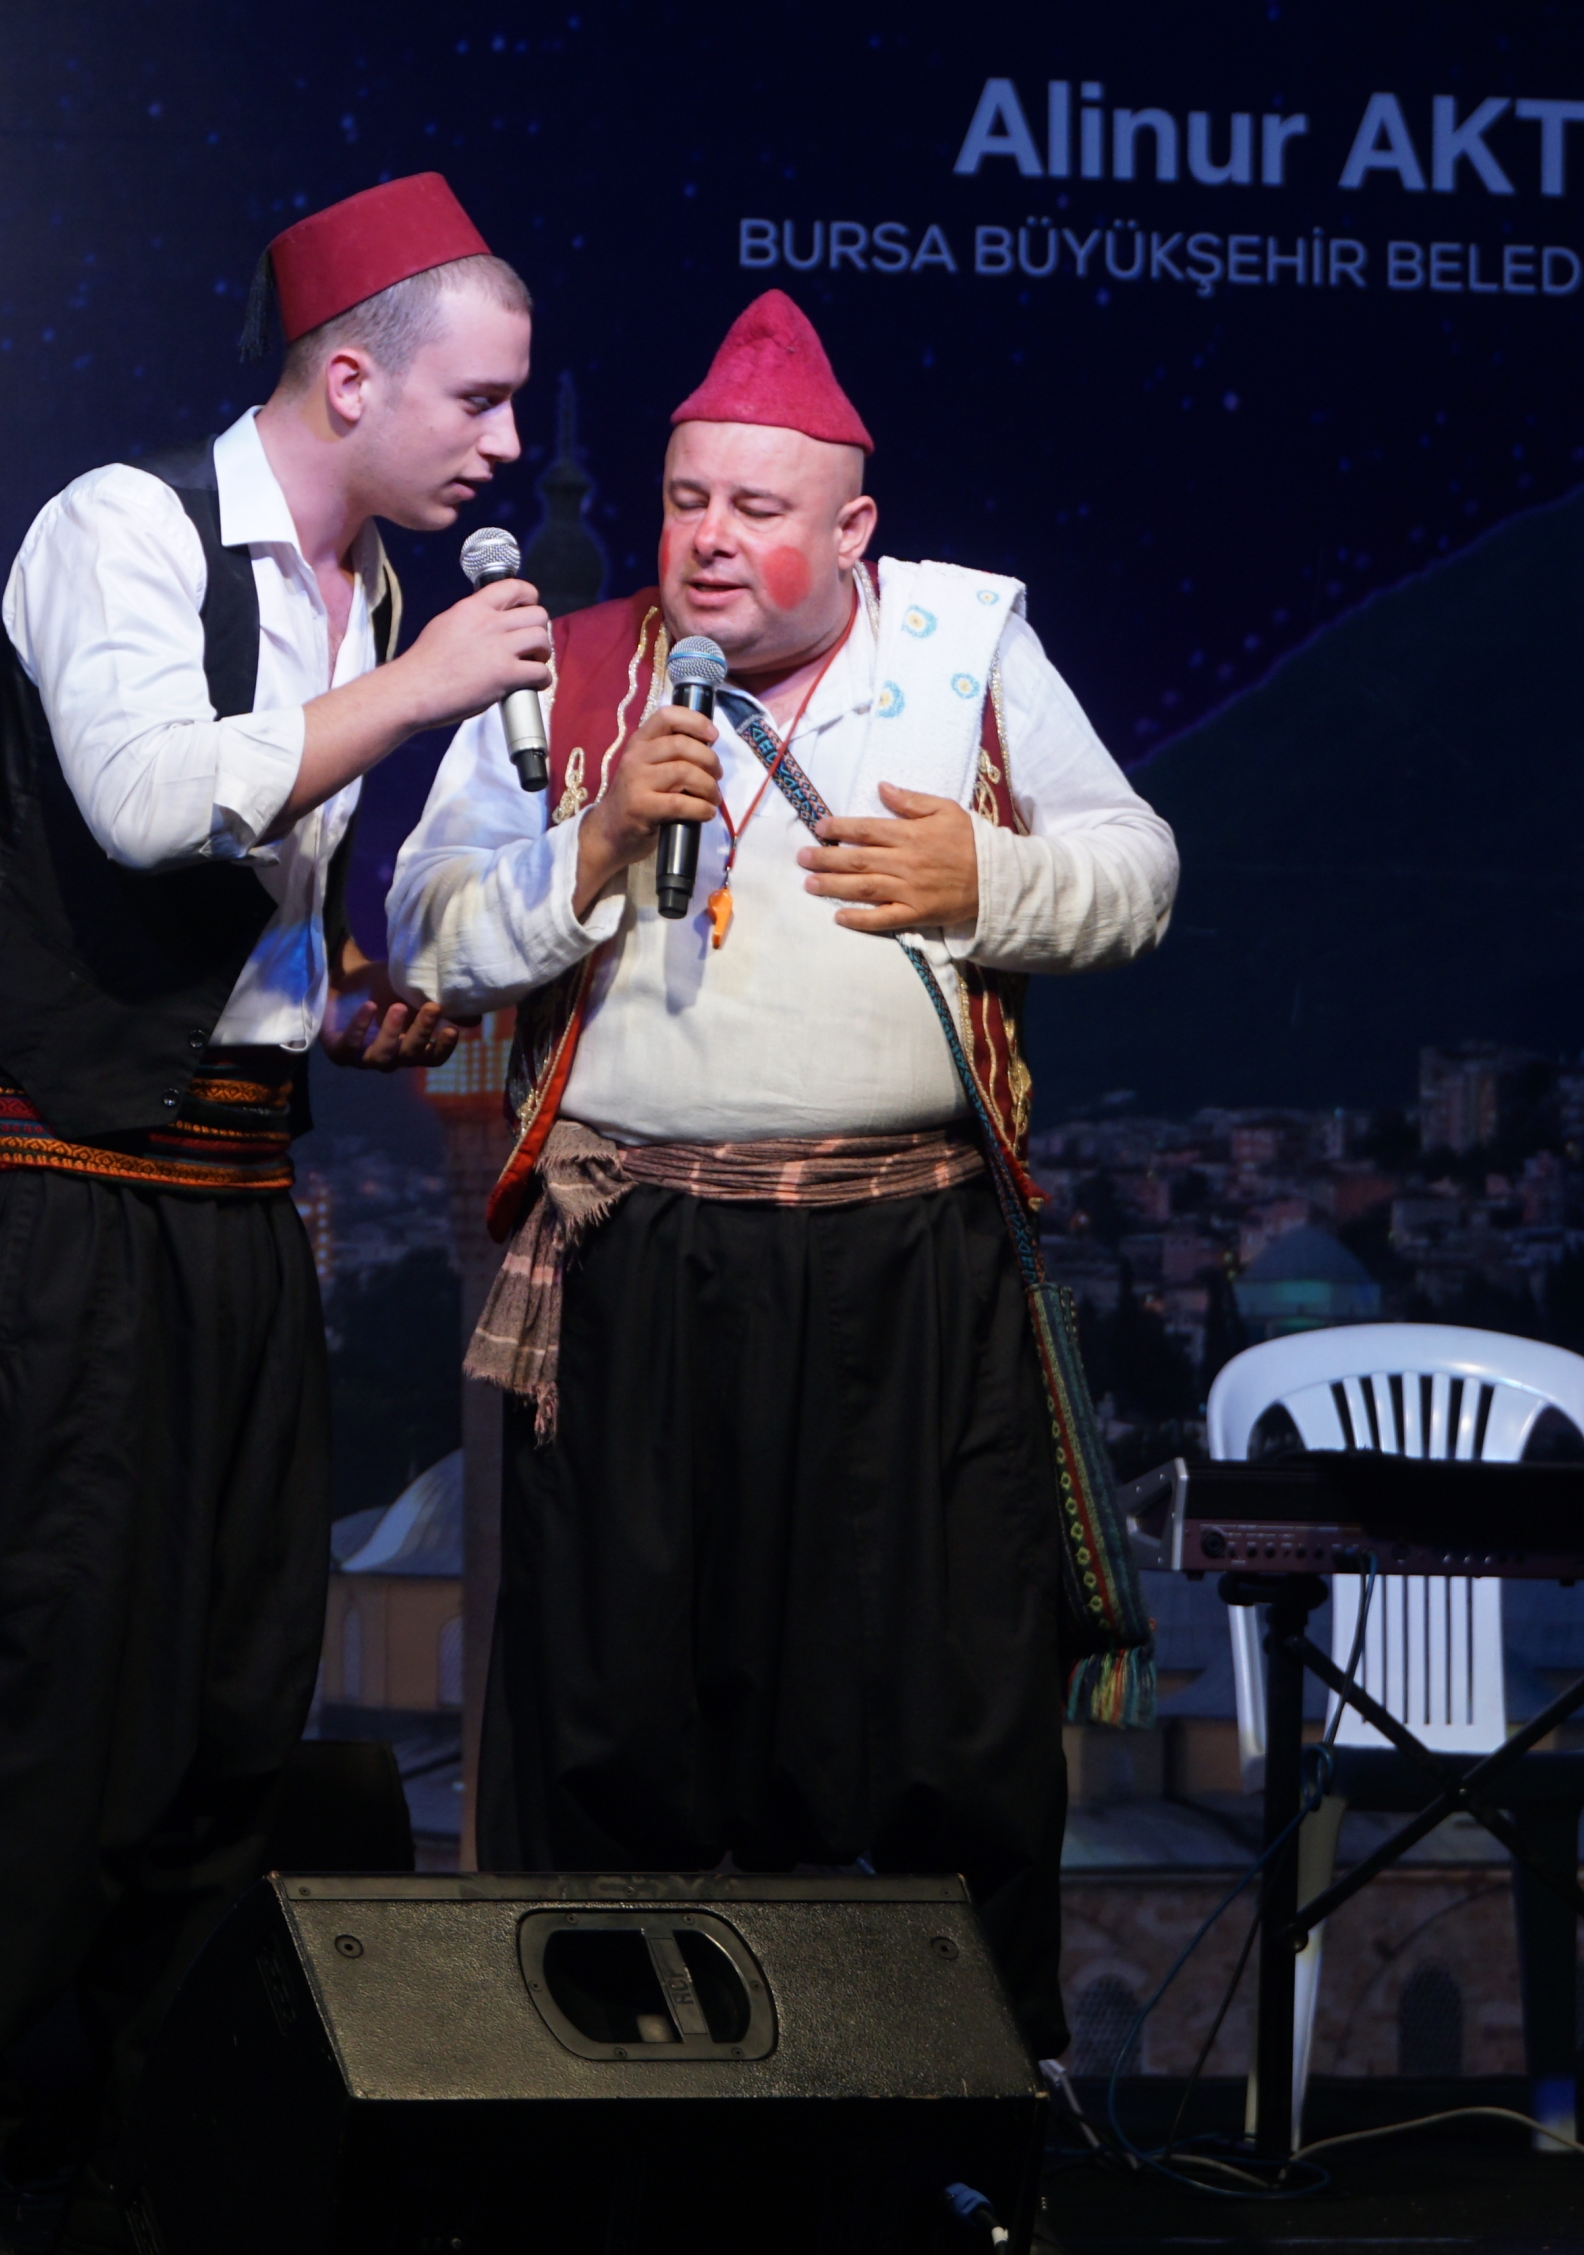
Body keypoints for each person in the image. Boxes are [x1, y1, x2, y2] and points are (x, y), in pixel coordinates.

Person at [0, 174, 550, 2255]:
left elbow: (235, 901)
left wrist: (338, 998)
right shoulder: (122, 527)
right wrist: (422, 692)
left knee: (231, 1683)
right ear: (349, 382)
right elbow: (152, 799)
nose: (506, 443)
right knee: (29, 1661)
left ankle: (147, 2135)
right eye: (478, 400)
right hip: (41, 1186)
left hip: (234, 1184)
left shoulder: (366, 593)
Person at [387, 290, 1177, 2069]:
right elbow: (429, 932)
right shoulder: (572, 671)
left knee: (937, 1707)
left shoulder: (967, 654)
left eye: (756, 508)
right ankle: (610, 2102)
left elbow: (1137, 867)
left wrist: (990, 879)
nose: (709, 540)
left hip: (910, 1270)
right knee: (617, 1709)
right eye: (686, 501)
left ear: (854, 527)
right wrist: (596, 840)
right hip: (642, 1265)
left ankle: (948, 2120)